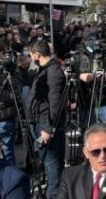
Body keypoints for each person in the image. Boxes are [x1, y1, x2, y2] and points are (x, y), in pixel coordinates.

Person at [27, 40, 66, 198]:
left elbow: (54, 103)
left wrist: (47, 128)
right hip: (39, 121)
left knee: (52, 162)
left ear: (36, 54)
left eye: (30, 55)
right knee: (47, 161)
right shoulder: (44, 69)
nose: (30, 58)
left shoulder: (53, 71)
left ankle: (54, 195)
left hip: (45, 125)